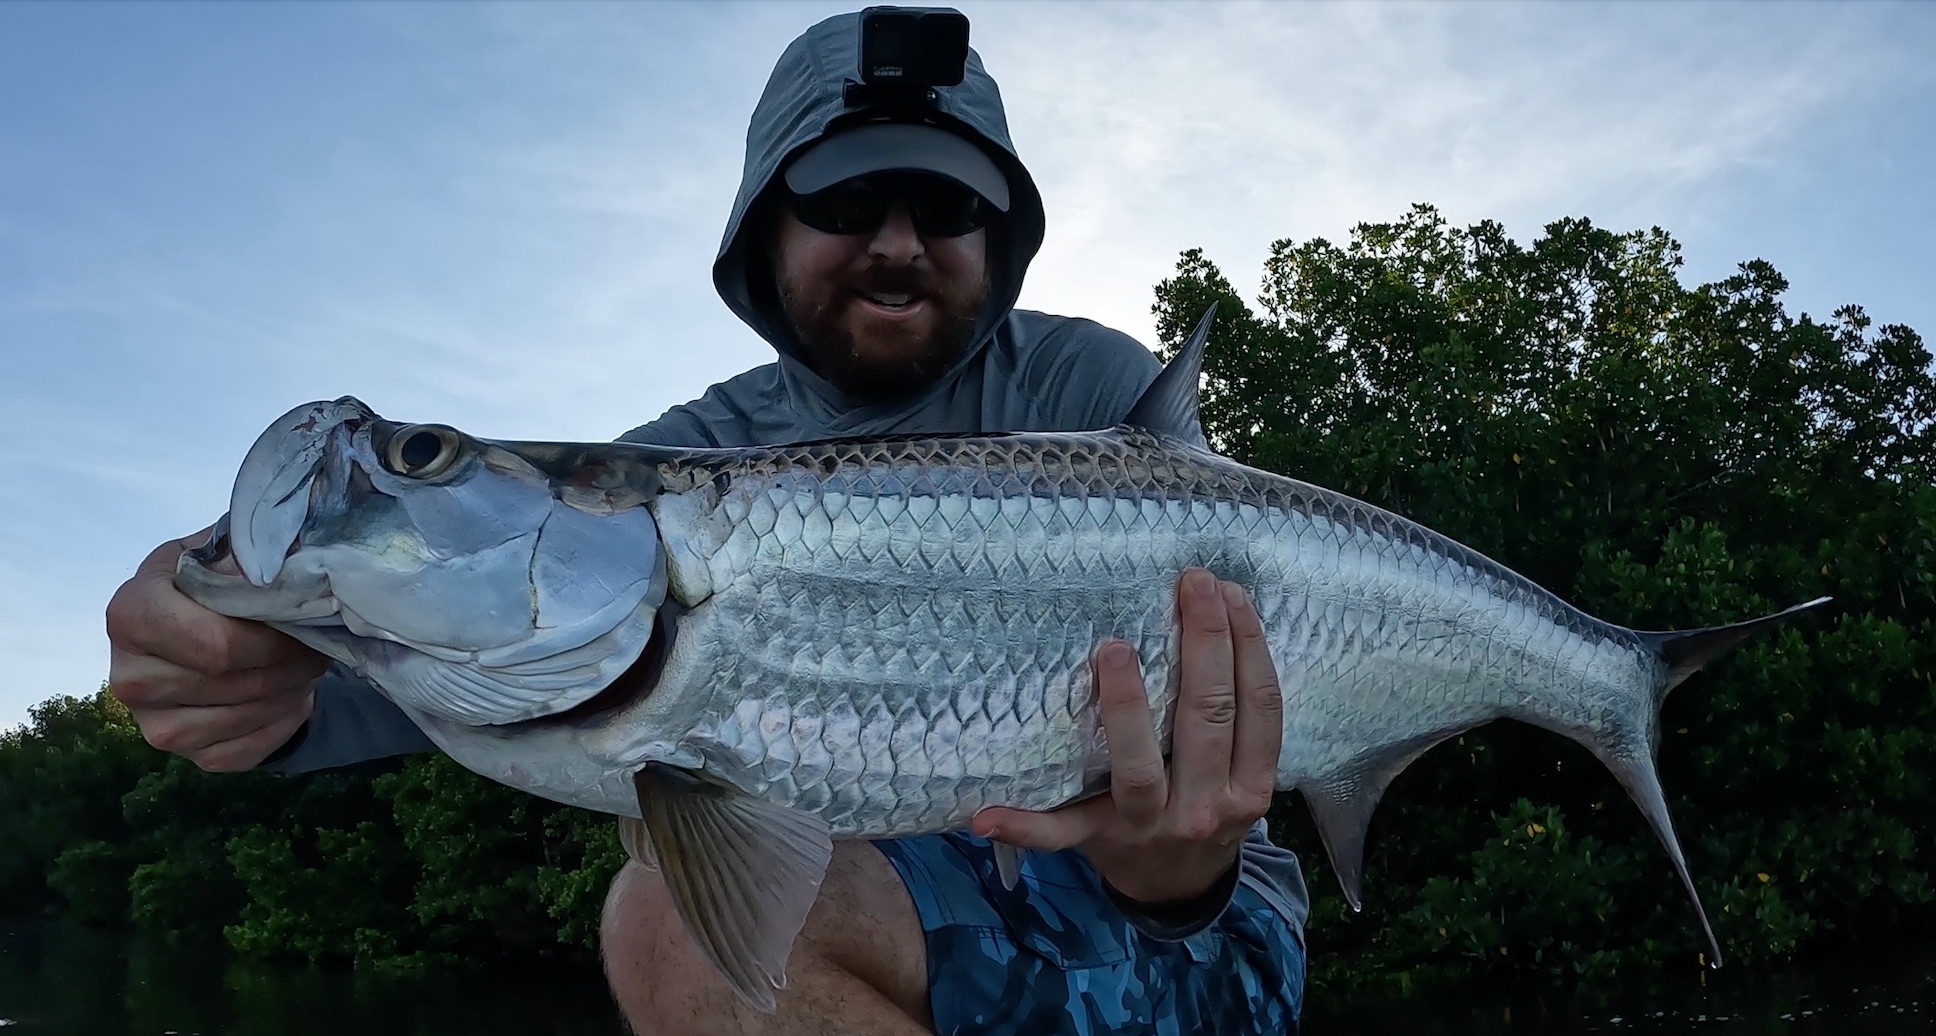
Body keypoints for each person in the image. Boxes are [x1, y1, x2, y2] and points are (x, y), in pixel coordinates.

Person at [104, 10, 1310, 1035]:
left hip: (1196, 926)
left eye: (949, 204)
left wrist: (1178, 871)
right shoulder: (679, 459)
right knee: (672, 914)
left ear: (997, 239)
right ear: (764, 227)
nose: (898, 242)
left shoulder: (1087, 391)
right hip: (889, 901)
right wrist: (220, 634)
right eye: (846, 195)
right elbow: (418, 646)